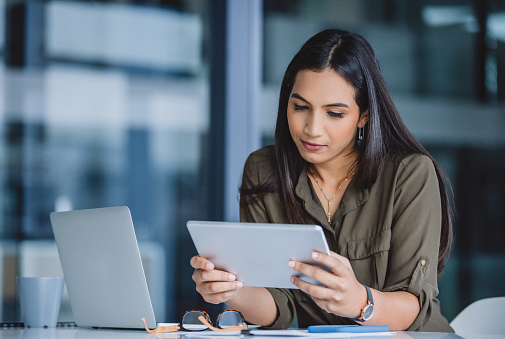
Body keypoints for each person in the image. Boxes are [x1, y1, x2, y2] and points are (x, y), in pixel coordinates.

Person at [190, 28, 454, 332]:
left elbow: (416, 308)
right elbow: (280, 310)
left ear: (364, 115)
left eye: (335, 114)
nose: (312, 129)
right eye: (300, 107)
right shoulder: (264, 170)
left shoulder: (409, 174)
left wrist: (360, 300)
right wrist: (233, 291)